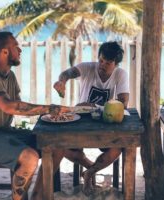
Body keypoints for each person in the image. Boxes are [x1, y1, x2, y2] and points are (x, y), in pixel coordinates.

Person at [0, 31, 70, 200]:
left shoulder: (9, 76)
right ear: (5, 52)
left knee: (55, 145)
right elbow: (9, 107)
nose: (20, 50)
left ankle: (38, 196)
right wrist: (49, 109)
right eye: (16, 46)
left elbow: (19, 106)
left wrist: (48, 115)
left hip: (5, 132)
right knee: (30, 158)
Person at [53, 41, 129, 195]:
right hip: (79, 121)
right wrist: (62, 81)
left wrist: (94, 106)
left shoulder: (121, 74)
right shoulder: (87, 67)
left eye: (108, 63)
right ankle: (89, 167)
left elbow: (123, 104)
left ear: (116, 64)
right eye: (101, 60)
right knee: (60, 146)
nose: (102, 65)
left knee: (117, 149)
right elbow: (68, 73)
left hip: (105, 123)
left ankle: (89, 173)